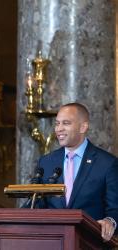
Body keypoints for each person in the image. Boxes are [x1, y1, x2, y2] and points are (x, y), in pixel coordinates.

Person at [35, 102, 118, 242]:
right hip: (52, 242)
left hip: (90, 242)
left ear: (83, 127)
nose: (58, 129)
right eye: (57, 123)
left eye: (66, 123)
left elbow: (115, 208)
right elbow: (38, 205)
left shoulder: (107, 163)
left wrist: (110, 221)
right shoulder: (46, 162)